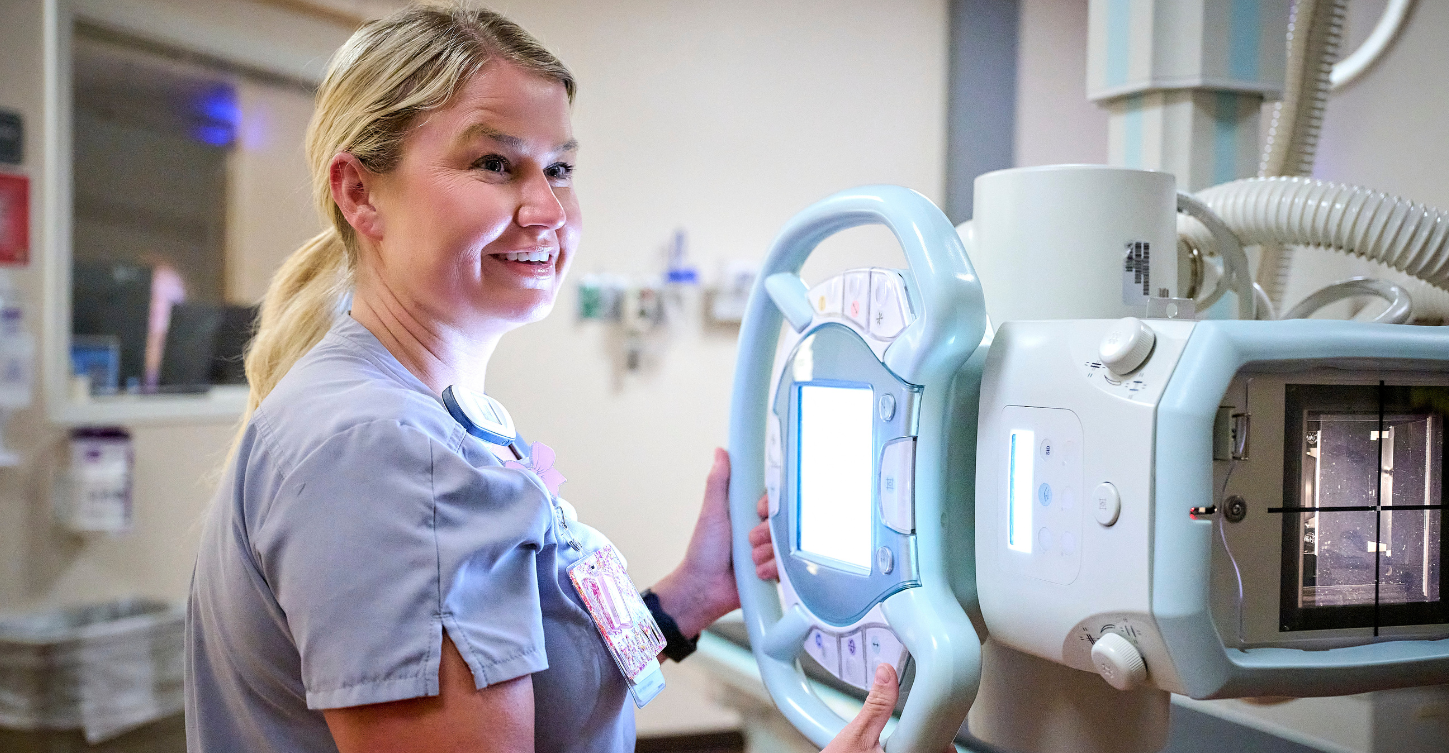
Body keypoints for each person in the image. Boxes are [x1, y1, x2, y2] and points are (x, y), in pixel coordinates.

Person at [185, 5, 909, 752]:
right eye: (494, 164)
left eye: (558, 169)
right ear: (361, 192)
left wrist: (689, 596)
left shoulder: (443, 417)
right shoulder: (385, 450)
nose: (546, 210)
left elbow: (537, 677)